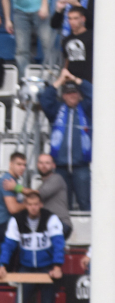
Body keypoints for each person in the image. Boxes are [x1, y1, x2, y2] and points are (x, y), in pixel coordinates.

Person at [0, 192, 65, 303]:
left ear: (41, 204)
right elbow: (8, 245)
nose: (33, 207)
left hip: (47, 268)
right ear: (25, 205)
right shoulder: (16, 220)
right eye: (30, 204)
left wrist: (57, 266)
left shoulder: (51, 218)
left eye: (36, 204)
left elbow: (58, 244)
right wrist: (3, 266)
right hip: (26, 267)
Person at [40, 69, 91, 211]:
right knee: (62, 205)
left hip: (81, 166)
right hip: (60, 167)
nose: (72, 95)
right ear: (63, 96)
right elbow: (45, 100)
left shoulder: (87, 109)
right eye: (68, 93)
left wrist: (75, 79)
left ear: (79, 95)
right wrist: (59, 81)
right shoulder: (57, 110)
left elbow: (93, 94)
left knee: (85, 204)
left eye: (74, 92)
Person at [0, 0, 57, 77]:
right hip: (19, 12)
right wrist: (7, 19)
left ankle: (52, 78)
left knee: (48, 44)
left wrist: (44, 5)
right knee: (21, 50)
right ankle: (23, 80)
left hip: (39, 7)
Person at [0, 152, 28, 243]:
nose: (22, 168)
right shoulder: (7, 181)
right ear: (11, 164)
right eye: (19, 164)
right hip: (4, 224)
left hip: (5, 224)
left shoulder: (13, 182)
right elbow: (13, 209)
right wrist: (27, 204)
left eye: (24, 165)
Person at [34, 153, 72, 239]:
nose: (44, 166)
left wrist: (17, 188)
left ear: (53, 165)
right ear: (37, 165)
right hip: (48, 224)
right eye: (41, 163)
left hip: (60, 222)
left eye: (47, 163)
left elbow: (39, 194)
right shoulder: (41, 185)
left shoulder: (57, 178)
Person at [59, 6, 91, 82]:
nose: (72, 22)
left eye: (76, 18)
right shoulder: (66, 40)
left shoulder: (92, 37)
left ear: (83, 19)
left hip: (88, 80)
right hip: (71, 80)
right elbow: (66, 60)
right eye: (70, 18)